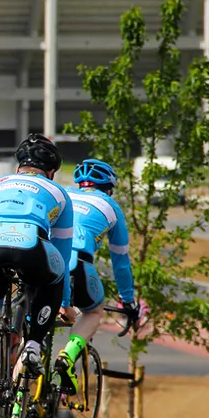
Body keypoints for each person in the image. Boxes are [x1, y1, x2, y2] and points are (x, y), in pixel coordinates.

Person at [0, 133, 73, 418]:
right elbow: (63, 252)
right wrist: (65, 303)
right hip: (32, 245)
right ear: (51, 171)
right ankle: (33, 346)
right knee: (55, 274)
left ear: (20, 165)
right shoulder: (59, 192)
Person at [54, 159, 139, 395]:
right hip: (78, 264)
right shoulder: (111, 206)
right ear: (109, 188)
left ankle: (14, 389)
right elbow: (120, 263)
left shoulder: (63, 195)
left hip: (46, 259)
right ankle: (67, 357)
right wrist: (128, 302)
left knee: (33, 329)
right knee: (93, 311)